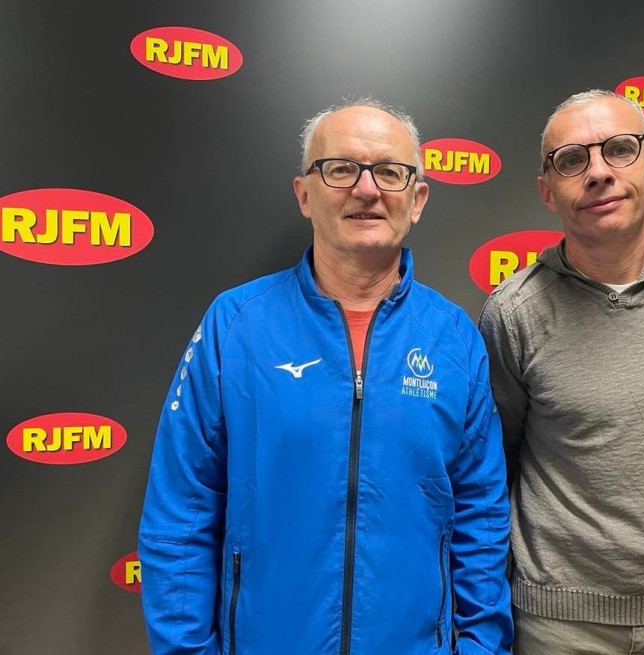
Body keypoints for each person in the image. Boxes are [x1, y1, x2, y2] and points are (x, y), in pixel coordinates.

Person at [139, 99, 513, 655]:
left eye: (390, 172)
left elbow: (481, 514)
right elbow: (181, 512)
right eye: (340, 169)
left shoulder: (454, 338)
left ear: (417, 200)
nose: (366, 189)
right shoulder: (236, 324)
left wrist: (483, 647)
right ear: (304, 194)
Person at [478, 90, 644, 655]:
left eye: (620, 150)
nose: (599, 173)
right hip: (560, 620)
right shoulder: (514, 312)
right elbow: (500, 455)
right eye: (572, 160)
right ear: (547, 192)